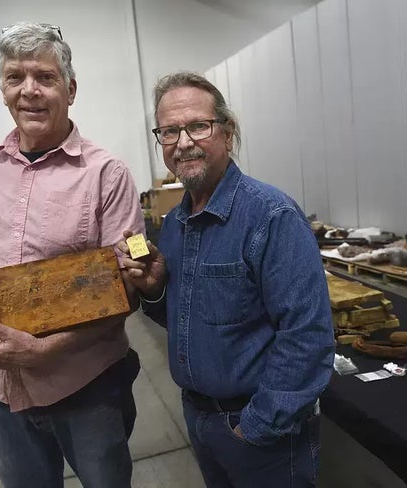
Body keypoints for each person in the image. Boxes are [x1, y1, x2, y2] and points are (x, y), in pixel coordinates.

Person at [0, 22, 145, 488]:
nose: (29, 91)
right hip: (0, 391)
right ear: (2, 90)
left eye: (45, 77)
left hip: (86, 385)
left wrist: (47, 350)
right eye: (16, 78)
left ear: (71, 89)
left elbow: (127, 286)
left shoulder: (106, 174)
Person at [119, 72, 334, 487]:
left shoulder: (272, 216)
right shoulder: (178, 223)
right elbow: (190, 323)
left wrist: (255, 427)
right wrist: (155, 290)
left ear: (228, 132)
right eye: (169, 131)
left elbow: (308, 336)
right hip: (200, 419)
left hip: (260, 432)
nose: (183, 142)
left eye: (198, 126)